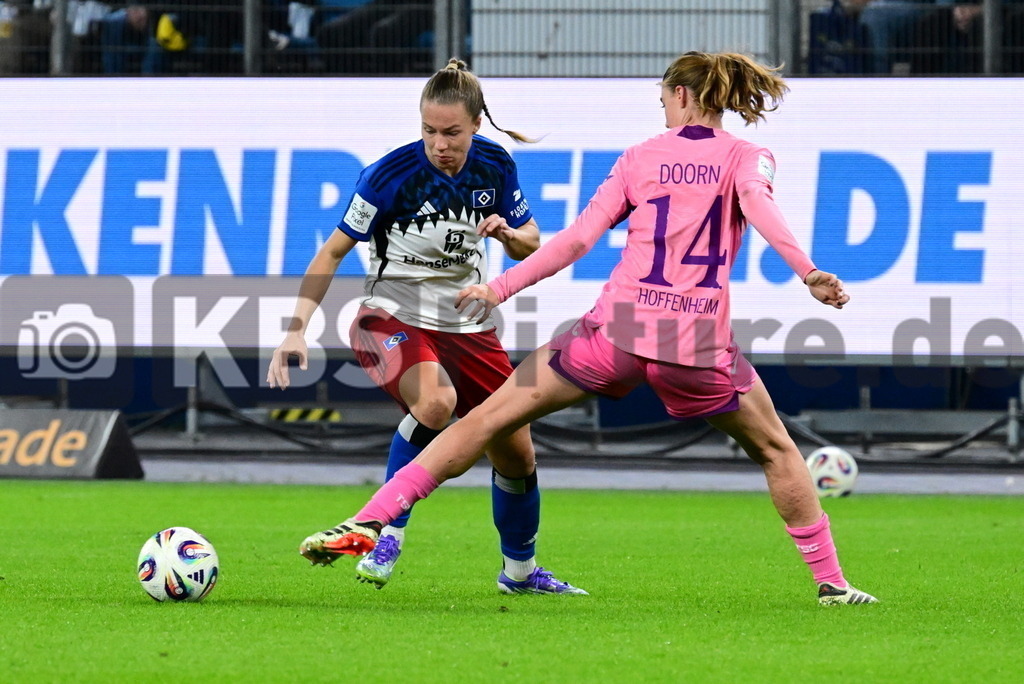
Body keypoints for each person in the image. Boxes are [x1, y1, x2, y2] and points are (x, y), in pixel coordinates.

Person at [301, 51, 879, 607]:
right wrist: (807, 272)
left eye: (663, 100)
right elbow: (760, 206)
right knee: (777, 450)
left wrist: (498, 288)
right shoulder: (748, 157)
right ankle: (831, 584)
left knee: (488, 418)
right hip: (696, 343)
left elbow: (575, 241)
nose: (664, 111)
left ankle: (372, 518)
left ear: (681, 94)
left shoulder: (639, 157)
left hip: (614, 332)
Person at [269, 58, 586, 595]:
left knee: (517, 452)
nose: (440, 143)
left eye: (452, 133)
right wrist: (296, 328)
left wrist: (508, 235)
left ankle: (520, 574)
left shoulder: (495, 165)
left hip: (470, 327)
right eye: (429, 131)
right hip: (387, 316)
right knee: (435, 404)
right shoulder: (388, 175)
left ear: (475, 126)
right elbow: (331, 253)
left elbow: (533, 240)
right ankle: (386, 532)